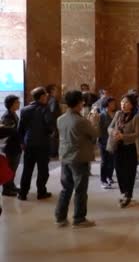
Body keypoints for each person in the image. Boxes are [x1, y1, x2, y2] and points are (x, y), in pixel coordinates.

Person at [55, 90, 99, 228]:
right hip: (79, 158)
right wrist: (95, 121)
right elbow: (95, 134)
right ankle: (79, 218)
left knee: (66, 188)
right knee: (80, 190)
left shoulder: (60, 119)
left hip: (65, 156)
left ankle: (60, 217)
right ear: (79, 102)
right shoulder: (81, 121)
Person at [18, 87, 54, 201]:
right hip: (42, 144)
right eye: (45, 96)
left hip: (29, 143)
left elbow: (21, 129)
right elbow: (49, 126)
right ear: (41, 97)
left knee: (27, 169)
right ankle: (41, 192)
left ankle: (23, 193)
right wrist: (52, 132)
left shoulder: (24, 110)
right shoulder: (45, 109)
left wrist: (22, 142)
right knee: (43, 169)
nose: (47, 98)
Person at [108, 94, 139, 208]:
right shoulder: (118, 114)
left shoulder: (136, 117)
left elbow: (137, 134)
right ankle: (124, 192)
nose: (123, 104)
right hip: (118, 147)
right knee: (119, 170)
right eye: (122, 102)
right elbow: (110, 127)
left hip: (129, 147)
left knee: (129, 172)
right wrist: (114, 133)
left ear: (132, 105)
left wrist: (124, 136)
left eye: (126, 102)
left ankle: (128, 194)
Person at [1, 95, 21, 196]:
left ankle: (11, 186)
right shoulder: (7, 116)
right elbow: (10, 132)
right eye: (17, 102)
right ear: (11, 104)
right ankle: (6, 189)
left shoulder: (13, 114)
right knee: (10, 168)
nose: (19, 103)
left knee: (14, 168)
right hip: (10, 147)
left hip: (15, 146)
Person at [98, 97, 117, 189]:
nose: (114, 105)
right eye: (112, 103)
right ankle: (103, 179)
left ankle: (109, 177)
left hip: (113, 140)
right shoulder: (102, 115)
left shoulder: (115, 114)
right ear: (107, 104)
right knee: (104, 161)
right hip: (104, 141)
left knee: (112, 160)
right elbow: (100, 130)